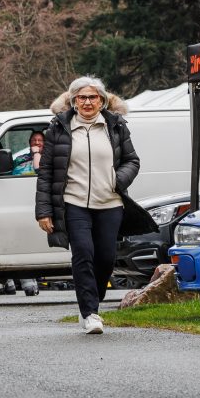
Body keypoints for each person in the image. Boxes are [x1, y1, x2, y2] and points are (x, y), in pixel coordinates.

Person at [35, 76, 139, 335]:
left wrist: (118, 179)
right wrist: (43, 211)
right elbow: (46, 172)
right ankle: (90, 313)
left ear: (102, 101)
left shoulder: (116, 126)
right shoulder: (59, 128)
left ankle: (93, 298)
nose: (88, 102)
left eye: (93, 97)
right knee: (83, 253)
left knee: (105, 258)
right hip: (74, 203)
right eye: (82, 97)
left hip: (110, 203)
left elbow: (132, 160)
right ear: (73, 101)